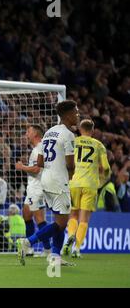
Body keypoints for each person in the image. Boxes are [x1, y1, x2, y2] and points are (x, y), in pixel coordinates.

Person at [16, 100, 80, 266]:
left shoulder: (50, 132)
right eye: (76, 112)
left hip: (46, 180)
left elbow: (40, 162)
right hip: (59, 181)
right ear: (67, 115)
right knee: (61, 222)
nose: (78, 115)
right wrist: (71, 176)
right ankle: (28, 242)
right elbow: (70, 164)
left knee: (58, 219)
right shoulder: (68, 134)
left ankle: (55, 256)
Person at [62, 119, 111, 257]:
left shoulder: (74, 141)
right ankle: (76, 249)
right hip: (90, 185)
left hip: (73, 183)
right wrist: (102, 180)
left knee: (73, 215)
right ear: (93, 130)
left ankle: (70, 236)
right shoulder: (98, 145)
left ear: (79, 128)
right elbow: (106, 168)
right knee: (84, 219)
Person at [15, 124, 51, 256]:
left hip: (38, 188)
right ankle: (30, 249)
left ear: (36, 134)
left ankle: (47, 249)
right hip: (33, 188)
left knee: (39, 218)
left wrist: (22, 167)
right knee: (26, 214)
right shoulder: (37, 149)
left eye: (28, 131)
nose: (26, 134)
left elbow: (36, 170)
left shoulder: (38, 149)